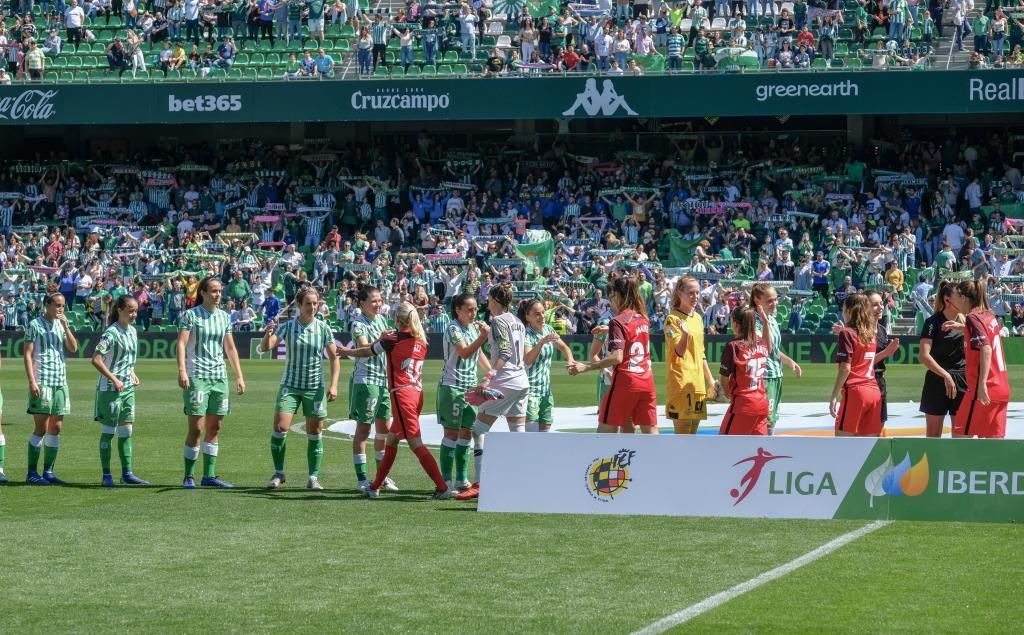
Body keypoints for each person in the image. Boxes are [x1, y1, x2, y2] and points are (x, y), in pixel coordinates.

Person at [342, 303, 452, 500]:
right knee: (391, 440)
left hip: (402, 395)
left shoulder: (392, 339)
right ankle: (375, 486)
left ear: (398, 320)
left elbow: (367, 351)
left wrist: (347, 352)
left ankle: (442, 487)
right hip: (416, 393)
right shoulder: (421, 340)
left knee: (415, 442)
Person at [260, 286, 341, 490]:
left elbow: (334, 357)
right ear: (298, 305)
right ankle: (279, 473)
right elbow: (266, 347)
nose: (312, 307)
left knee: (315, 432)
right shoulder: (287, 327)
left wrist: (333, 385)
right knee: (280, 427)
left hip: (315, 387)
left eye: (315, 303)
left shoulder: (323, 328)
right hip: (291, 385)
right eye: (308, 303)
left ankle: (313, 477)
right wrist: (267, 333)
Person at [454, 284, 529, 501]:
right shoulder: (518, 321)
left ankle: (479, 483)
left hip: (505, 381)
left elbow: (505, 351)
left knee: (478, 430)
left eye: (489, 298)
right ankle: (522, 481)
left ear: (495, 300)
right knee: (518, 435)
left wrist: (489, 376)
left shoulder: (497, 321)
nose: (486, 302)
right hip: (522, 381)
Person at [176, 276, 246, 489]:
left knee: (215, 427)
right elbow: (181, 343)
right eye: (213, 291)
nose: (218, 295)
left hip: (219, 377)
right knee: (196, 427)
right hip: (197, 375)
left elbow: (230, 348)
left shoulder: (225, 317)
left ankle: (209, 476)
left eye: (219, 291)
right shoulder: (191, 315)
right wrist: (182, 370)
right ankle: (189, 475)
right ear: (203, 293)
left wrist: (239, 375)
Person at [568, 276, 657, 434]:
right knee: (650, 434)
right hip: (647, 382)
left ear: (617, 295)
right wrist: (609, 330)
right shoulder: (643, 318)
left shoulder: (617, 321)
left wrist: (585, 367)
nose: (610, 302)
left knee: (605, 433)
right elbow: (632, 334)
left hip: (626, 382)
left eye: (611, 297)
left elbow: (617, 357)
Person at [91, 295, 149, 488]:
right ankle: (106, 474)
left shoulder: (133, 331)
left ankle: (127, 473)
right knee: (109, 431)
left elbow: (126, 358)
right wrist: (114, 378)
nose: (134, 314)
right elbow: (97, 359)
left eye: (136, 310)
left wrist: (132, 372)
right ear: (119, 310)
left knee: (127, 431)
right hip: (110, 389)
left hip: (127, 388)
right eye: (130, 310)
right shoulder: (111, 333)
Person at [24, 293, 79, 485]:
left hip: (60, 381)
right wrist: (32, 381)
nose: (60, 309)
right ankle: (31, 473)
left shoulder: (60, 324)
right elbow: (28, 354)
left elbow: (73, 348)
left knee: (56, 427)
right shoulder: (34, 325)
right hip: (43, 380)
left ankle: (48, 472)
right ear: (47, 305)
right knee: (41, 426)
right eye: (57, 305)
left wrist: (66, 326)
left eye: (63, 305)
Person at [436, 293, 489, 491]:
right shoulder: (452, 328)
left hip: (471, 388)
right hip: (453, 387)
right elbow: (465, 353)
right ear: (458, 310)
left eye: (475, 309)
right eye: (469, 309)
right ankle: (445, 482)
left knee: (466, 433)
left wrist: (491, 372)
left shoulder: (474, 328)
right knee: (451, 433)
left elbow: (479, 353)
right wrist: (483, 337)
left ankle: (462, 479)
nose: (473, 313)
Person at [348, 285, 397, 491]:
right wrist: (383, 339)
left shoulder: (382, 320)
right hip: (366, 381)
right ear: (362, 303)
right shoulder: (358, 324)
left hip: (384, 381)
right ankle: (361, 479)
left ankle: (381, 476)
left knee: (384, 431)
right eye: (374, 301)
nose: (378, 304)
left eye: (380, 300)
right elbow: (365, 348)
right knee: (363, 429)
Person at [949, 280, 1010, 438]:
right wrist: (963, 328)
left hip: (983, 389)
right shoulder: (988, 314)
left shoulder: (972, 317)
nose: (951, 298)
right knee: (993, 446)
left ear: (963, 297)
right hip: (1002, 388)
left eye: (954, 295)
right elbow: (988, 337)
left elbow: (986, 348)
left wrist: (982, 384)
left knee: (959, 437)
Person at [664, 275, 718, 435]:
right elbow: (679, 352)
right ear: (680, 293)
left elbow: (701, 354)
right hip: (681, 383)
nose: (695, 297)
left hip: (697, 385)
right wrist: (685, 335)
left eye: (697, 293)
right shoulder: (672, 319)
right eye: (691, 293)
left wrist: (711, 381)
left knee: (693, 436)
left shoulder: (698, 319)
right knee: (682, 437)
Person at [749, 282, 802, 435]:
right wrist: (765, 321)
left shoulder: (771, 319)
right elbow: (766, 348)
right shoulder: (754, 320)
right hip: (764, 376)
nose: (775, 303)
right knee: (764, 422)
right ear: (757, 300)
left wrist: (789, 361)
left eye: (775, 299)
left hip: (776, 375)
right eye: (770, 301)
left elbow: (775, 350)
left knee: (772, 421)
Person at [918, 280, 966, 438]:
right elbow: (924, 355)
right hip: (936, 380)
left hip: (961, 380)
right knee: (933, 436)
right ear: (947, 299)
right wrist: (945, 375)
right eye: (959, 296)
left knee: (962, 436)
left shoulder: (967, 321)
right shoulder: (933, 322)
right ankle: (934, 464)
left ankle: (958, 464)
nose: (963, 299)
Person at [829, 294, 882, 437]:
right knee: (868, 447)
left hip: (855, 392)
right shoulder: (871, 333)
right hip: (873, 391)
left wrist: (833, 395)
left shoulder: (847, 333)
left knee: (843, 445)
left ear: (848, 310)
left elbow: (845, 368)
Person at [521, 298, 575, 432]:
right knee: (531, 436)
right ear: (528, 317)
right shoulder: (526, 334)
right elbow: (527, 359)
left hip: (546, 390)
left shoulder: (548, 329)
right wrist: (541, 343)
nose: (542, 316)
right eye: (537, 314)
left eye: (543, 313)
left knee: (545, 432)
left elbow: (564, 347)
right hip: (530, 390)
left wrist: (570, 360)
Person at [719, 305, 772, 435]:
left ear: (736, 324)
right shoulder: (762, 343)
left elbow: (724, 380)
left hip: (743, 406)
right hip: (762, 405)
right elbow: (769, 349)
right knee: (756, 451)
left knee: (723, 446)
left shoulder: (733, 346)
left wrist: (728, 394)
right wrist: (765, 323)